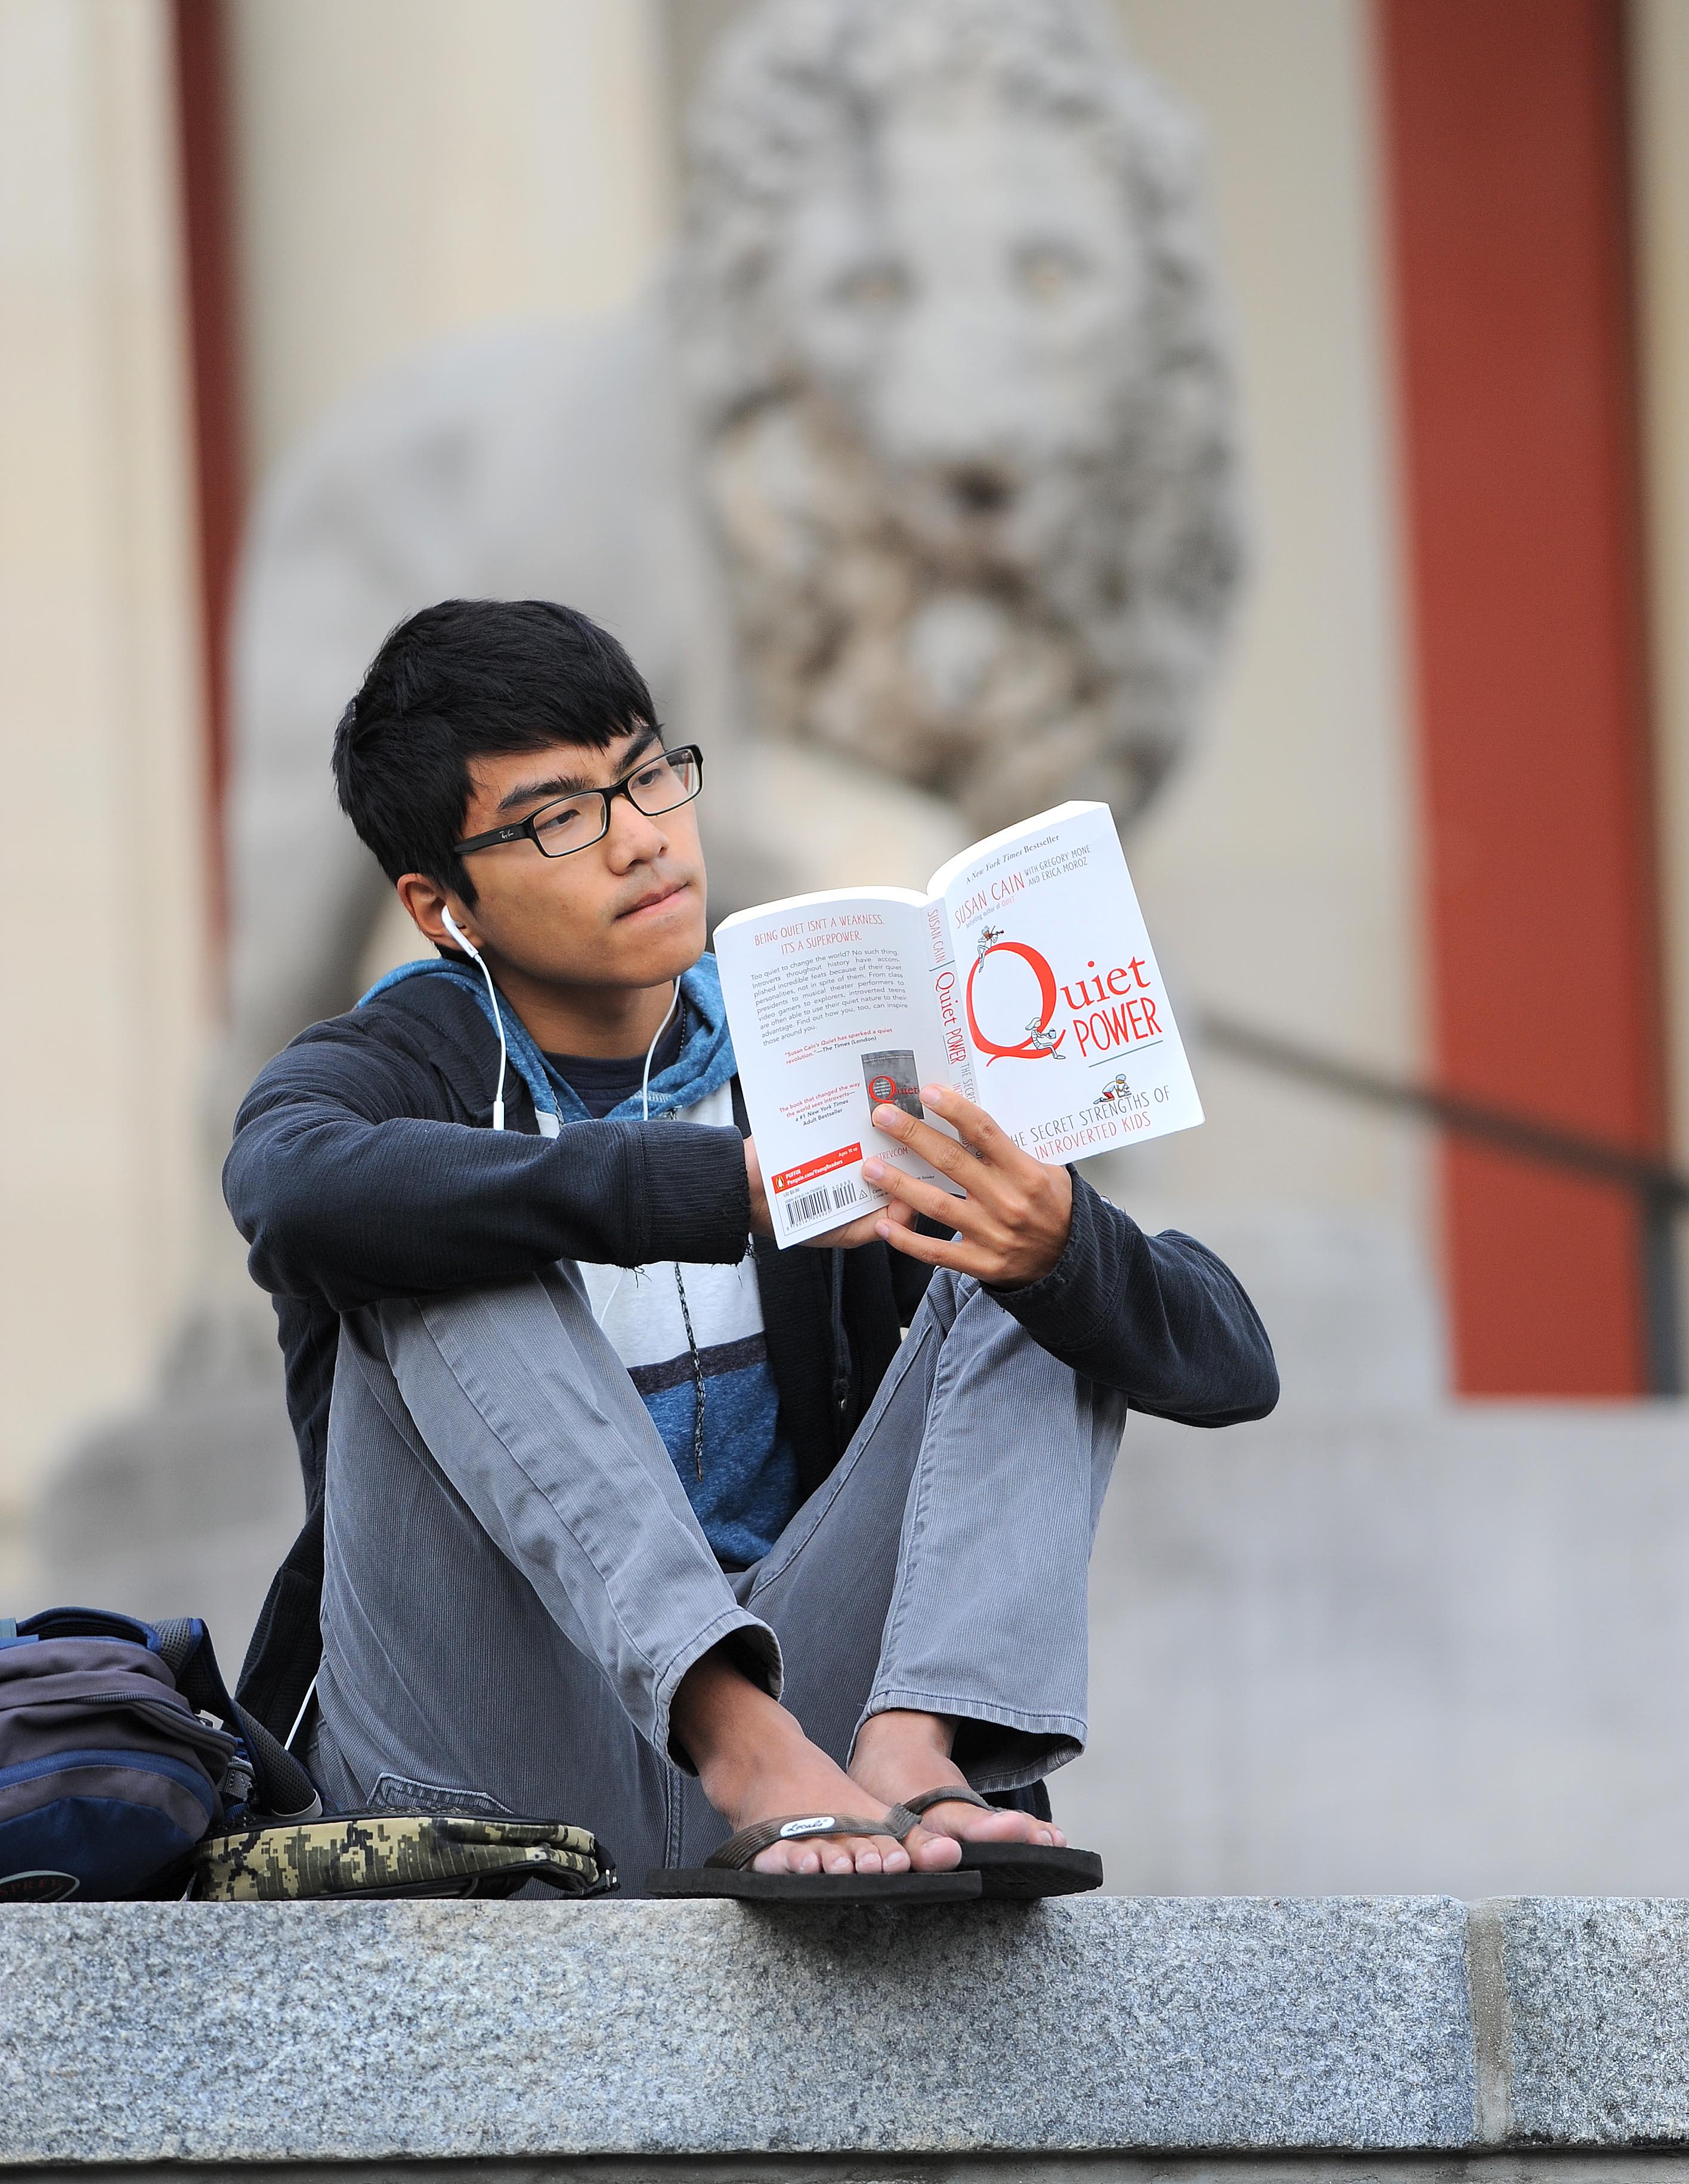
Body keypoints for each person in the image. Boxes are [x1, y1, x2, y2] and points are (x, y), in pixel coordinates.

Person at [225, 598, 1277, 1897]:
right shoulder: (407, 1064)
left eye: (650, 774)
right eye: (561, 817)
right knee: (437, 1229)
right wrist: (720, 1188)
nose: (642, 841)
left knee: (1023, 1247)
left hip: (827, 1758)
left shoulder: (817, 1041)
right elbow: (284, 1184)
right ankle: (739, 1738)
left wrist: (1060, 1240)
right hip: (476, 1744)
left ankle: (914, 1742)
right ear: (447, 907)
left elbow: (1234, 1364)